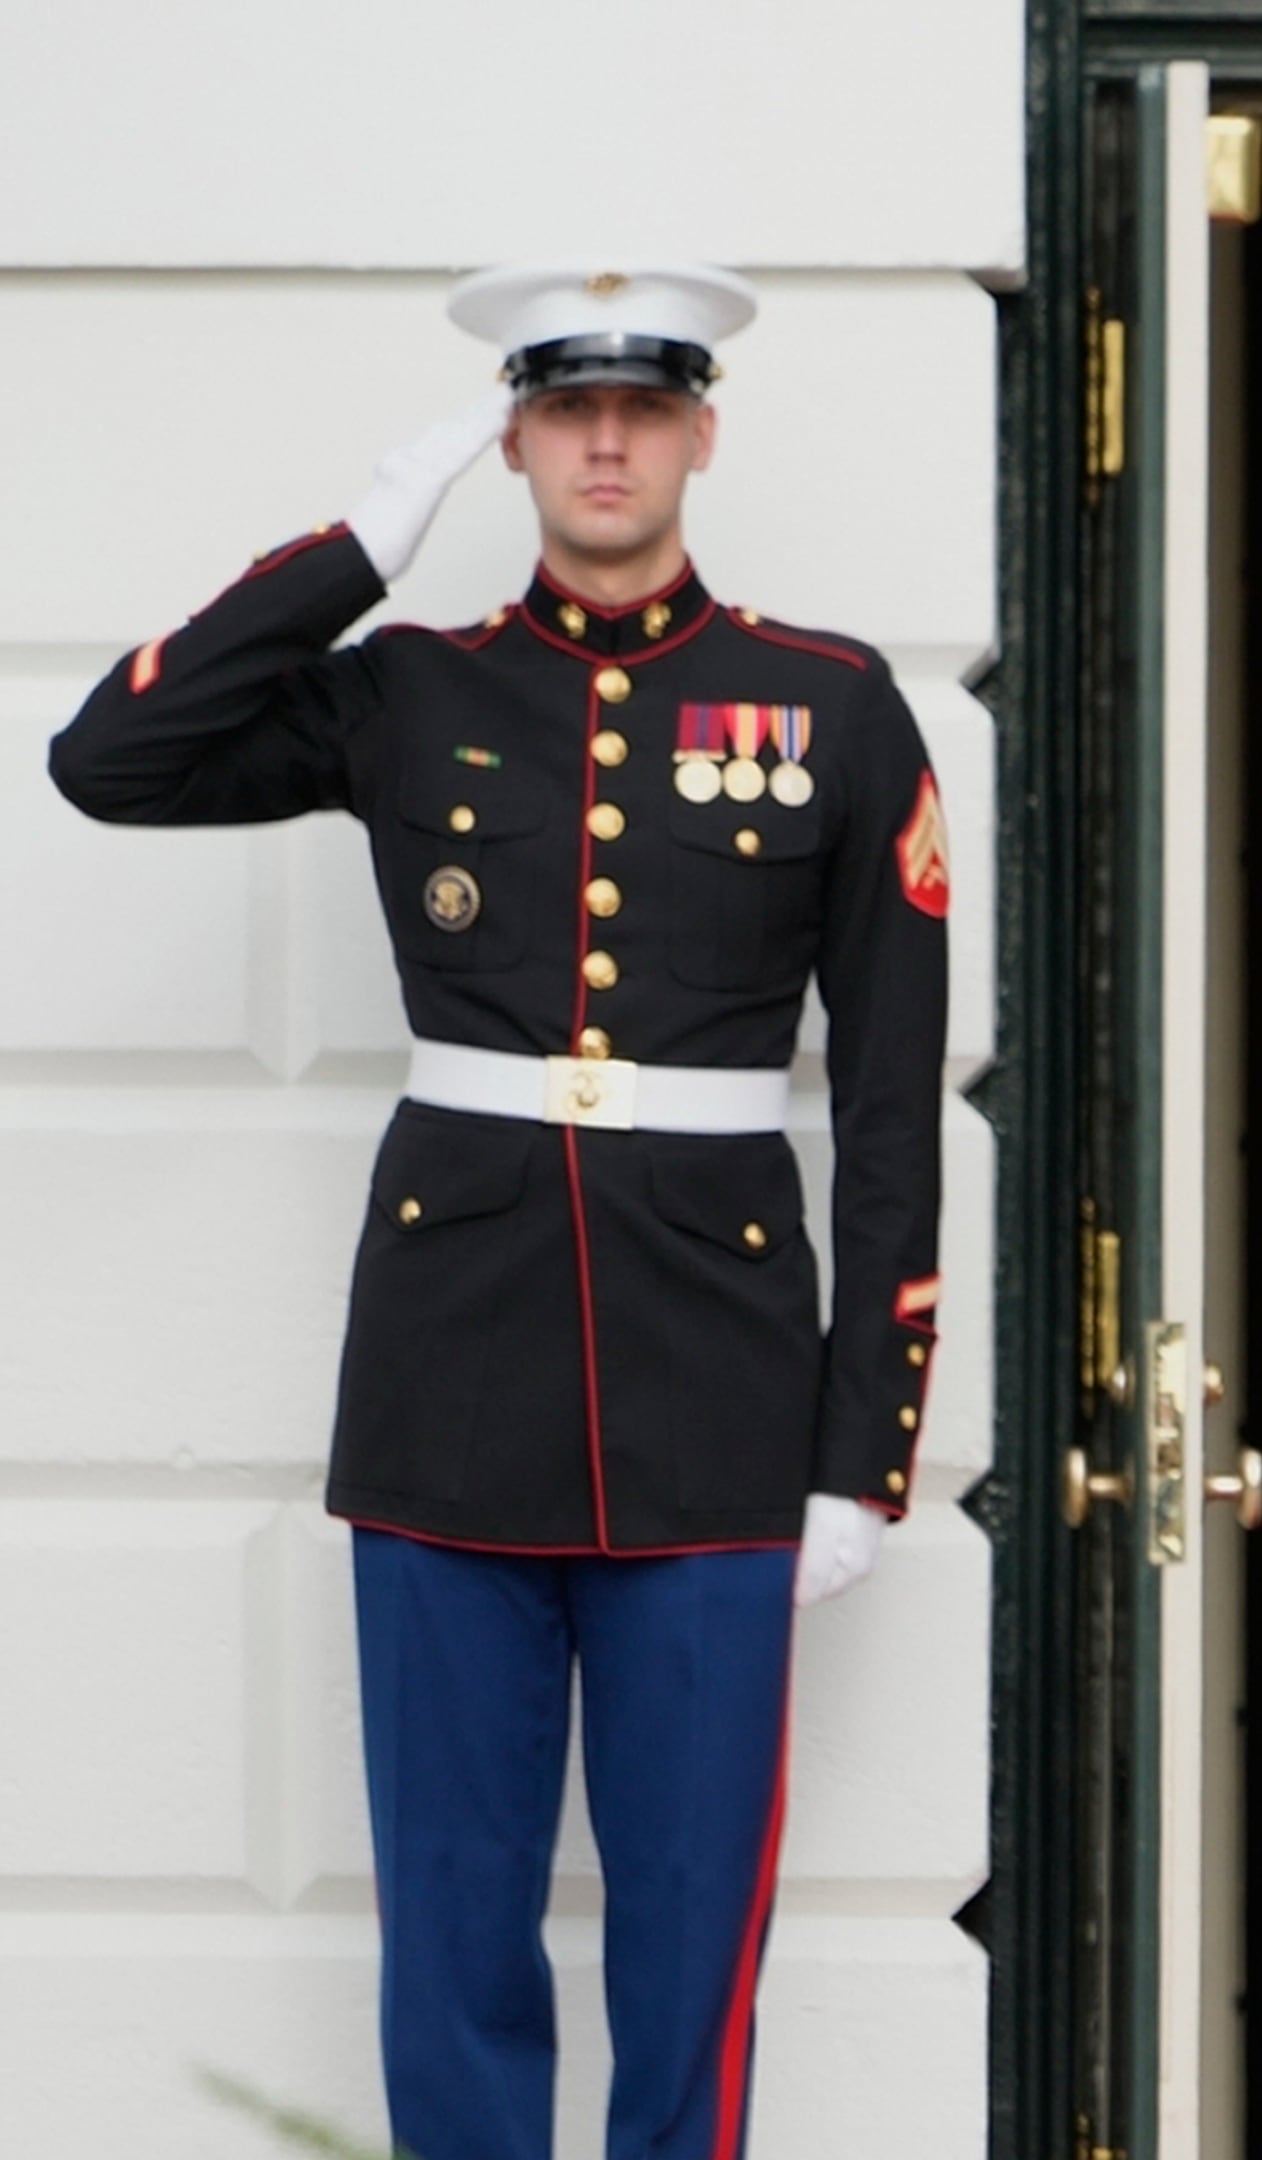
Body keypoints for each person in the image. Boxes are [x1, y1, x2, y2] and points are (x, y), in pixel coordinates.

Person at [46, 264, 950, 2160]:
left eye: (641, 407)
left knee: (695, 1932)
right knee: (451, 1918)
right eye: (560, 409)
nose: (605, 442)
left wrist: (863, 1452)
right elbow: (108, 760)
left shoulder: (833, 708)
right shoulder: (411, 689)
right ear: (515, 435)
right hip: (450, 1387)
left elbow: (886, 1112)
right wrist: (366, 533)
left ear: (705, 430)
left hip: (719, 1402)